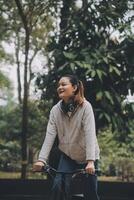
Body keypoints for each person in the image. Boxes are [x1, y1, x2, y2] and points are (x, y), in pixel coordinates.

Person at [33, 74, 100, 200]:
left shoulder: (85, 107)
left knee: (90, 192)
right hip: (68, 156)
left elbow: (90, 134)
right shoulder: (55, 111)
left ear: (74, 87)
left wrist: (90, 161)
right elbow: (50, 136)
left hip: (88, 156)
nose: (60, 87)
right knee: (58, 186)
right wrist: (41, 160)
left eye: (63, 84)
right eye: (59, 85)